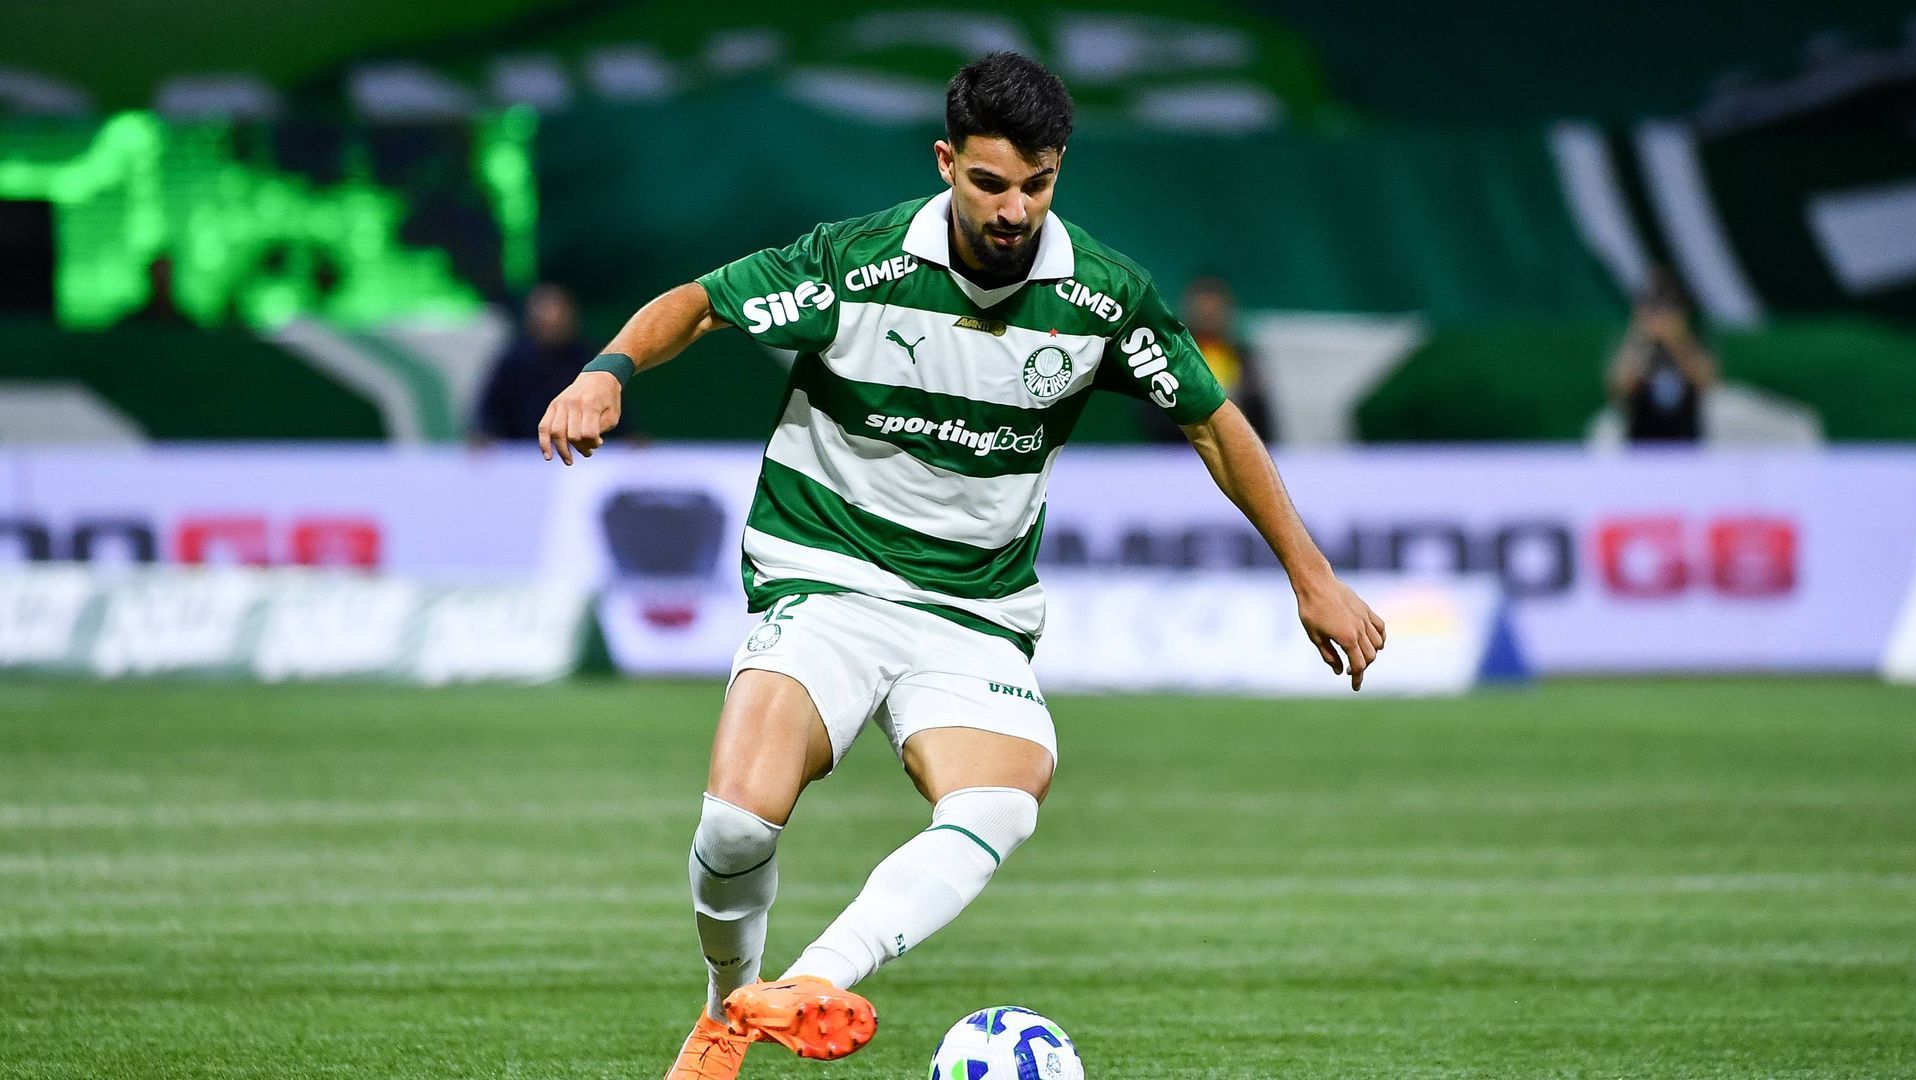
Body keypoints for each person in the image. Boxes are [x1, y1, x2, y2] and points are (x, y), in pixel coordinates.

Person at [534, 53, 1386, 1079]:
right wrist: (605, 370)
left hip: (973, 608)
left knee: (1004, 795)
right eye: (990, 182)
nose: (1014, 208)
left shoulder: (1104, 298)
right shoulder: (857, 265)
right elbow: (699, 304)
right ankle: (726, 1016)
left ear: (1058, 171)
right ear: (946, 162)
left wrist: (1312, 575)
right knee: (733, 829)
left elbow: (1213, 424)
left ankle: (814, 978)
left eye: (1037, 183)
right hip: (825, 577)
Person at [1141, 275, 1273, 442]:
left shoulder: (1244, 359)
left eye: (1215, 307)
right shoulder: (1168, 357)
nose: (1208, 314)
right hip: (1178, 455)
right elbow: (1154, 418)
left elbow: (1260, 417)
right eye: (1202, 306)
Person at [473, 283, 603, 444]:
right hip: (520, 454)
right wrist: (485, 434)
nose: (550, 327)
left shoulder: (587, 359)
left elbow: (611, 409)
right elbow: (490, 411)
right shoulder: (513, 361)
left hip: (578, 453)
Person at [1606, 270, 1718, 443]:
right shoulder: (1635, 345)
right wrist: (1641, 338)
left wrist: (1676, 341)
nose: (1660, 318)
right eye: (1654, 310)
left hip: (1686, 440)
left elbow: (1707, 384)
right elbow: (1619, 388)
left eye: (1668, 310)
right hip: (1642, 442)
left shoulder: (1693, 344)